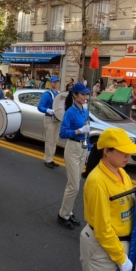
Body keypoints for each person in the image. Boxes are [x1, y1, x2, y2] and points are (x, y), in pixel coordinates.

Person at [80, 127, 136, 271]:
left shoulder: (122, 173)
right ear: (106, 151)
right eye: (123, 152)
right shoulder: (97, 182)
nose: (128, 156)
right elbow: (102, 229)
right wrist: (121, 258)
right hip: (102, 248)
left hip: (120, 245)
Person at [57, 82, 90, 229]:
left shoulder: (84, 109)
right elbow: (63, 133)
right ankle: (63, 215)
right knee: (74, 186)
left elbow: (87, 128)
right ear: (75, 95)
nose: (85, 96)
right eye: (82, 94)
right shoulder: (70, 112)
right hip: (72, 148)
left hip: (82, 148)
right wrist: (77, 131)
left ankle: (68, 212)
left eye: (86, 94)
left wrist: (88, 146)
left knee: (75, 183)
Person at [37, 76, 61, 169]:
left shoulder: (58, 94)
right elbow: (40, 106)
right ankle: (47, 159)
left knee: (55, 140)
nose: (55, 84)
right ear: (50, 83)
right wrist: (47, 110)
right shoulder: (47, 94)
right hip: (49, 119)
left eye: (57, 82)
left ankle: (51, 158)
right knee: (49, 140)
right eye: (54, 82)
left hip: (57, 119)